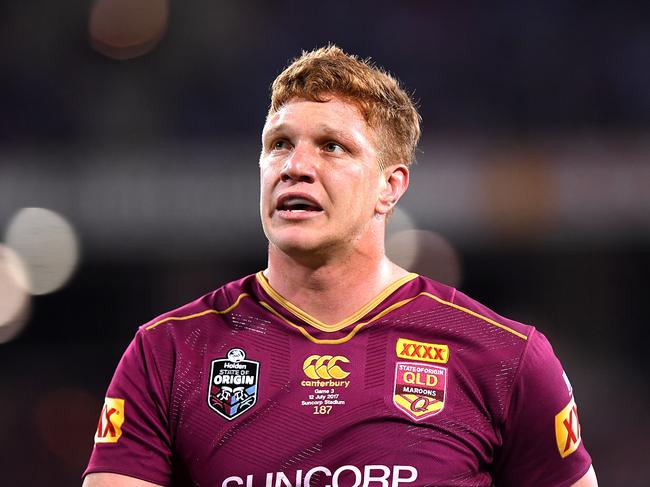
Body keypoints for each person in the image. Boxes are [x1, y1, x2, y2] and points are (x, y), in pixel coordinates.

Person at [83, 45, 597, 487]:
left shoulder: (503, 357)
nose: (295, 167)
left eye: (332, 147)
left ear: (389, 186)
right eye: (278, 144)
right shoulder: (168, 353)